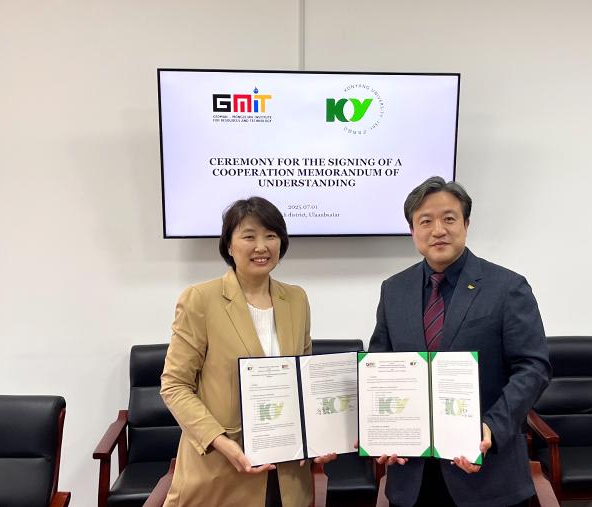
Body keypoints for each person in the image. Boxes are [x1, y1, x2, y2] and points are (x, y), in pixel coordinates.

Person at [369, 177, 551, 507]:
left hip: (487, 475)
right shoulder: (394, 289)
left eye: (449, 218)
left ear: (466, 224)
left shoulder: (507, 287)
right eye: (426, 221)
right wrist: (383, 432)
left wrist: (492, 426)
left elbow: (533, 367)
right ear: (412, 230)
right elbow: (380, 366)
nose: (438, 230)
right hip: (412, 478)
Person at [160, 196, 334, 507]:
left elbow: (305, 383)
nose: (261, 247)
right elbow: (175, 386)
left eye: (271, 235)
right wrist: (221, 442)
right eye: (249, 236)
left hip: (288, 474)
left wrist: (320, 436)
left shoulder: (296, 299)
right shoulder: (201, 299)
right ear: (229, 245)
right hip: (221, 470)